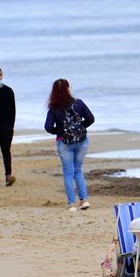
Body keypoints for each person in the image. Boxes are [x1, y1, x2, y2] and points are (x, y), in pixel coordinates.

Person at [44, 79, 95, 212]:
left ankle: (71, 204)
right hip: (81, 140)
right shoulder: (78, 103)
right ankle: (84, 200)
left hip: (64, 142)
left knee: (68, 172)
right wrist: (80, 127)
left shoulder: (54, 108)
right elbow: (91, 119)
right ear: (68, 88)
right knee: (78, 169)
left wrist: (60, 132)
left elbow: (48, 127)